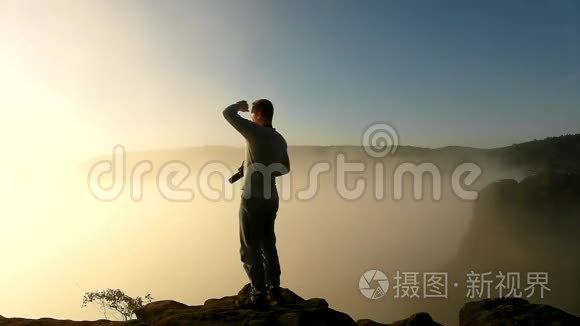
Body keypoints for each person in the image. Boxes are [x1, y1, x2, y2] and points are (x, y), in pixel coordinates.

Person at [222, 99, 290, 309]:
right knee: (268, 244)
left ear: (259, 115)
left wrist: (238, 105)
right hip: (271, 198)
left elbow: (227, 114)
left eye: (251, 113)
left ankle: (258, 296)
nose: (250, 117)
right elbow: (285, 168)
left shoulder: (255, 132)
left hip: (252, 198)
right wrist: (262, 168)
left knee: (249, 247)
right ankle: (274, 291)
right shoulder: (279, 138)